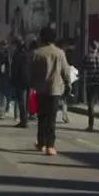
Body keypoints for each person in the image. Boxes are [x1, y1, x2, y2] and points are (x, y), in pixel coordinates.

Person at [28, 26, 72, 156]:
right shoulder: (60, 53)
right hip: (55, 90)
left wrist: (32, 85)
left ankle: (41, 142)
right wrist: (68, 85)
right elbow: (66, 71)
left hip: (40, 90)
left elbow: (31, 72)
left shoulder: (36, 53)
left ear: (42, 38)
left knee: (42, 117)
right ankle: (50, 146)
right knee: (51, 119)